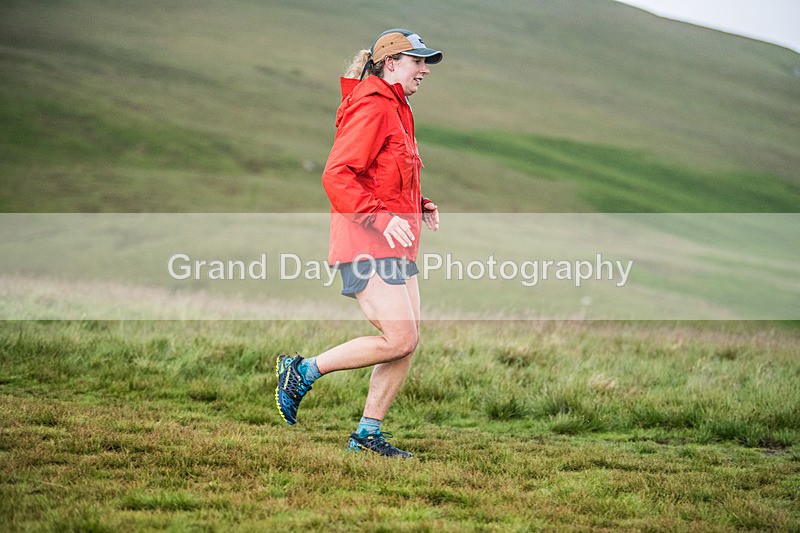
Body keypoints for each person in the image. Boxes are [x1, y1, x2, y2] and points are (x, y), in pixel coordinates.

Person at [275, 28, 442, 458]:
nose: (424, 70)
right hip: (366, 239)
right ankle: (303, 371)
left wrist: (417, 204)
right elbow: (337, 174)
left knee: (408, 339)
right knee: (399, 338)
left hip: (393, 240)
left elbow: (385, 173)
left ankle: (367, 434)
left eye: (425, 62)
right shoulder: (373, 106)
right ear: (391, 63)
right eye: (417, 61)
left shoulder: (398, 108)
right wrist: (381, 218)